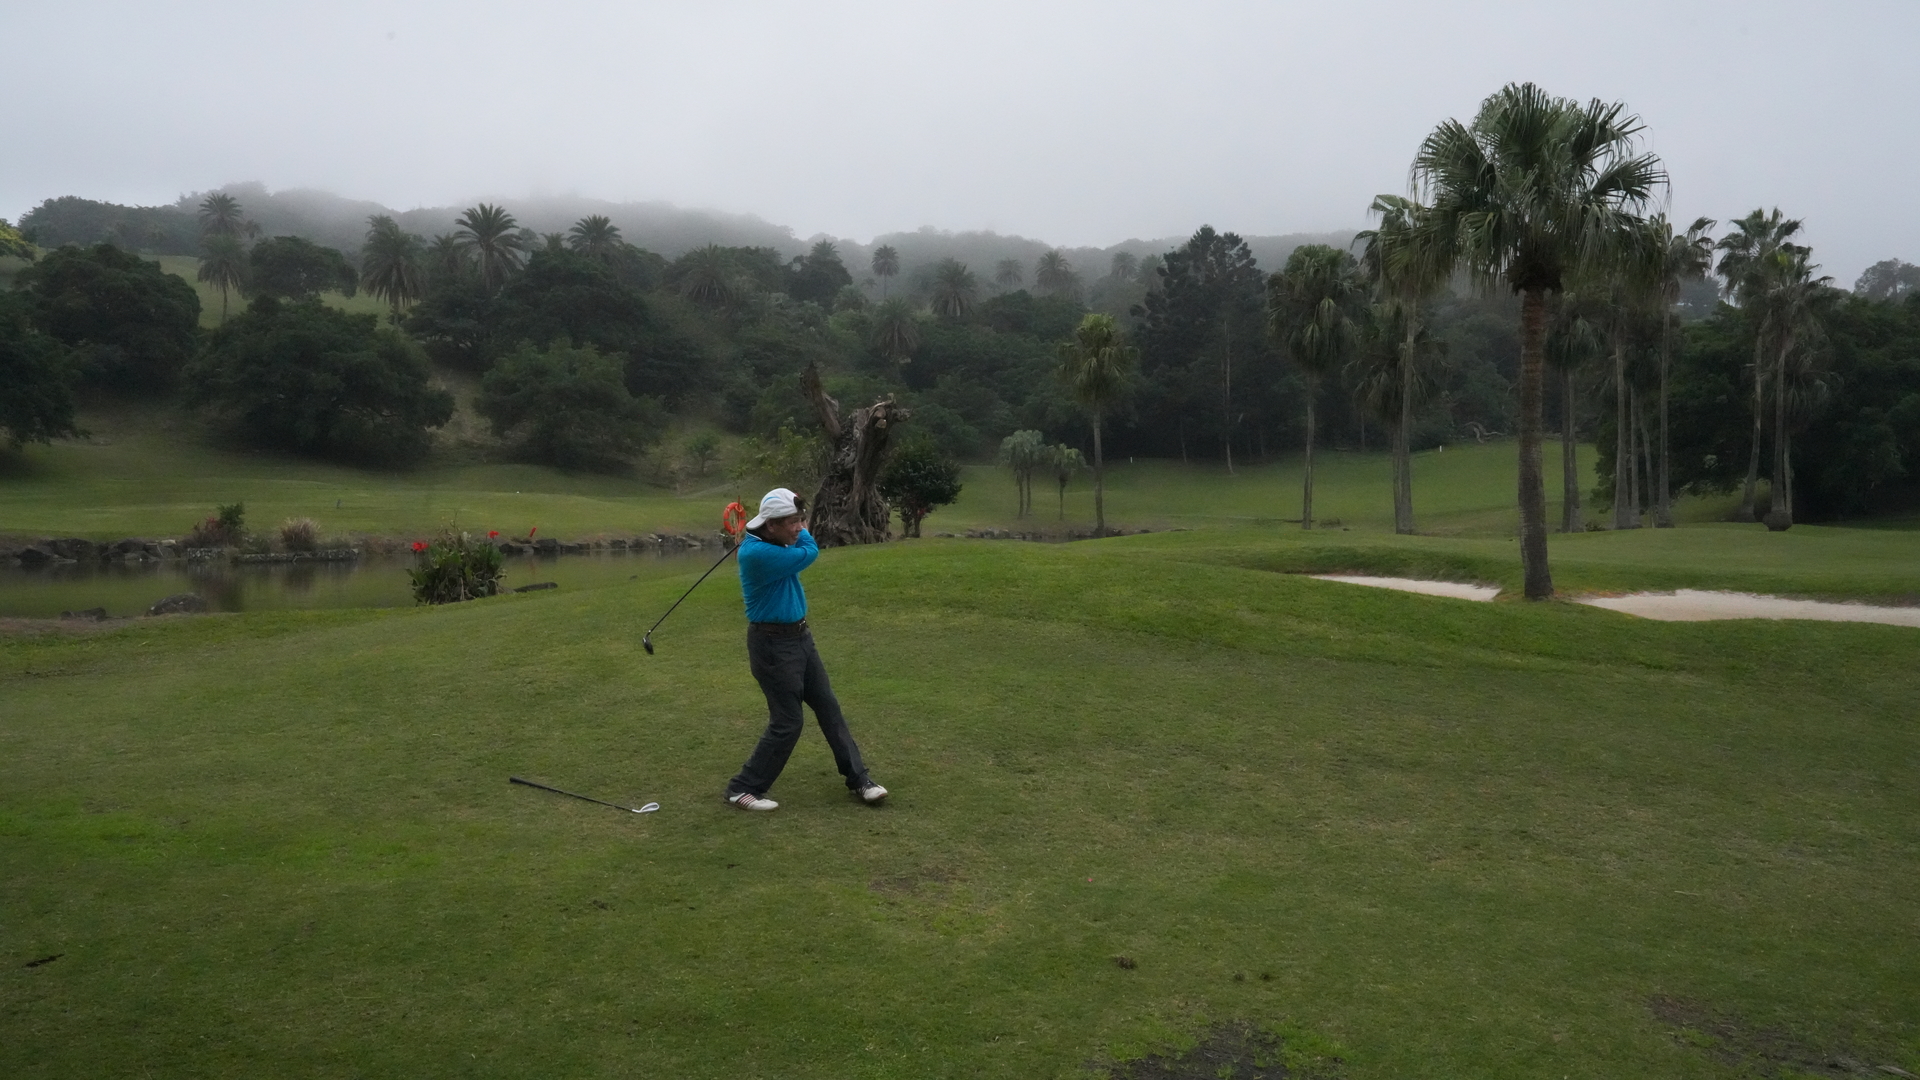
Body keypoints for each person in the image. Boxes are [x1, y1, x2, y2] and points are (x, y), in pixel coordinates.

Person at [724, 487, 888, 811]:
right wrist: (801, 530)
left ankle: (860, 779)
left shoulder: (772, 540)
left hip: (800, 638)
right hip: (772, 646)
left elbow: (796, 539)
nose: (800, 528)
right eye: (793, 522)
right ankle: (742, 788)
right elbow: (810, 551)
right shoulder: (757, 554)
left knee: (828, 707)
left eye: (801, 520)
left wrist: (792, 517)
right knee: (788, 721)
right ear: (771, 525)